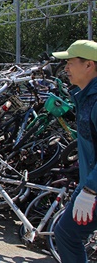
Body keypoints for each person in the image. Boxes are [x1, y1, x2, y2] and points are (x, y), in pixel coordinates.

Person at [52, 39, 97, 262]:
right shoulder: (86, 96)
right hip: (89, 182)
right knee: (66, 233)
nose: (66, 68)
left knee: (67, 234)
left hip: (93, 186)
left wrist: (90, 190)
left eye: (70, 62)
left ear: (89, 65)